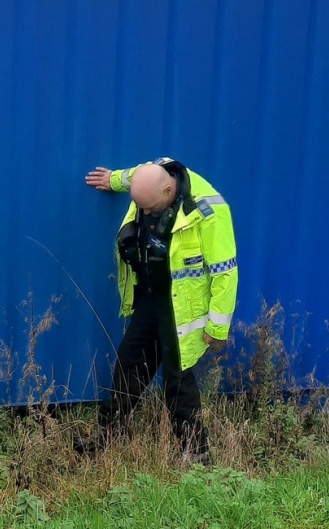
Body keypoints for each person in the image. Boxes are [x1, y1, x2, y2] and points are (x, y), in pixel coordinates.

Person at [78, 157, 238, 465]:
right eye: (140, 207)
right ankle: (109, 433)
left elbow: (225, 273)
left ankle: (196, 454)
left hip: (182, 307)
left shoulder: (209, 212)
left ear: (169, 190)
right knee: (129, 362)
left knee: (177, 380)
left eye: (150, 208)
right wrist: (113, 179)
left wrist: (217, 329)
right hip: (151, 295)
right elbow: (134, 178)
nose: (146, 214)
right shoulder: (152, 176)